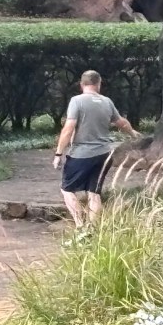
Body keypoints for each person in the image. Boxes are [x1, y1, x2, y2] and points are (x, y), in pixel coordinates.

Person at [52, 70, 140, 228]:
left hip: (81, 155)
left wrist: (59, 153)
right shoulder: (107, 101)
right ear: (99, 84)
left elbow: (68, 128)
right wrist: (132, 132)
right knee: (94, 193)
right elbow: (121, 122)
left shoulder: (76, 101)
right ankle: (93, 229)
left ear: (82, 84)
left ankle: (80, 226)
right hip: (104, 155)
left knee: (66, 190)